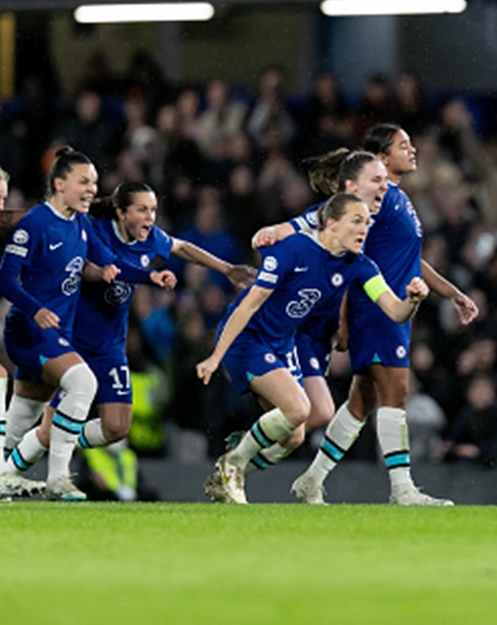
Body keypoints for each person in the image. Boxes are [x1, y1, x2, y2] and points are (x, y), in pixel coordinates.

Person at [4, 181, 254, 501]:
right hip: (72, 343)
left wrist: (227, 268)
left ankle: (43, 446)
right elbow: (95, 268)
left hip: (110, 347)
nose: (150, 217)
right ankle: (9, 473)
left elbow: (181, 248)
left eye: (153, 210)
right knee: (48, 425)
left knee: (117, 428)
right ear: (121, 213)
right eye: (142, 210)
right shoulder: (93, 231)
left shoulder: (150, 240)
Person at [196, 192, 429, 505]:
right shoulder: (292, 249)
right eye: (357, 221)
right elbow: (248, 305)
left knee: (295, 433)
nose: (364, 229)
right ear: (331, 223)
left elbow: (395, 310)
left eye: (367, 223)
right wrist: (215, 356)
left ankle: (227, 476)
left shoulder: (360, 265)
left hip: (281, 344)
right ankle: (233, 465)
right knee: (298, 409)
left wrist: (412, 301)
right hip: (245, 340)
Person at [289, 124, 479, 506]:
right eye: (403, 145)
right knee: (397, 391)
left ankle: (312, 479)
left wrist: (452, 292)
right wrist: (342, 318)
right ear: (381, 157)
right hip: (378, 308)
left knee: (362, 401)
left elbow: (411, 260)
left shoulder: (396, 199)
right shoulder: (378, 202)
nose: (412, 151)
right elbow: (345, 251)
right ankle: (402, 488)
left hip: (392, 307)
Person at [0, 146, 155, 501]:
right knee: (82, 382)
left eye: (95, 182)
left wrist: (150, 276)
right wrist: (35, 309)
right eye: (84, 181)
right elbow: (5, 281)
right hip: (30, 328)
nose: (91, 189)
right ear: (59, 184)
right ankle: (58, 478)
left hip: (56, 332)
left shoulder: (81, 224)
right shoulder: (36, 222)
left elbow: (110, 261)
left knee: (21, 418)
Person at [247, 148, 389, 474]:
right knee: (318, 413)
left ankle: (241, 458)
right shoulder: (331, 215)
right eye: (377, 180)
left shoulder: (369, 223)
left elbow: (344, 275)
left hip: (323, 328)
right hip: (303, 326)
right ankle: (243, 454)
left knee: (306, 419)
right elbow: (292, 228)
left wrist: (342, 324)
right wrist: (270, 232)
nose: (384, 187)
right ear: (353, 186)